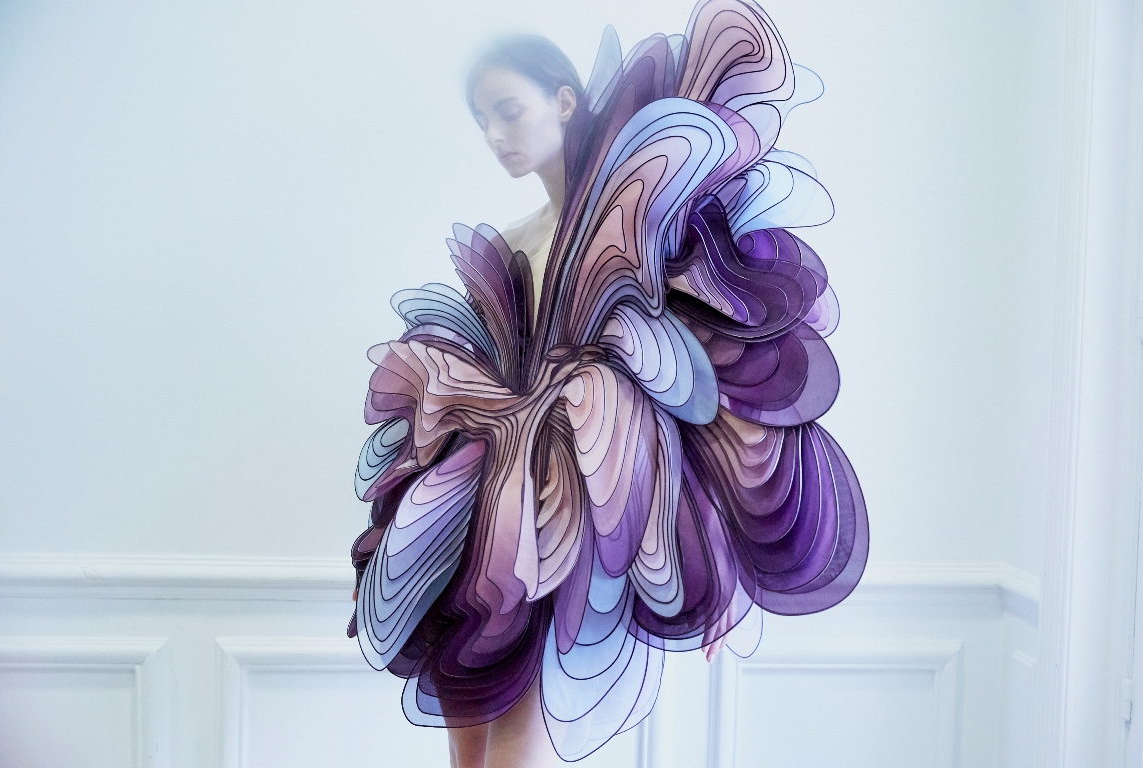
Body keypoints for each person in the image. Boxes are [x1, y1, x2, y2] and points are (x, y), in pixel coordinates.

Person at [349, 2, 869, 767]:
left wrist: (716, 565)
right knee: (465, 739)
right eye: (482, 121)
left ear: (563, 99)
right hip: (479, 504)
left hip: (568, 515)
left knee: (513, 740)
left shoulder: (647, 224)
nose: (496, 136)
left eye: (509, 111)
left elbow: (697, 383)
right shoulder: (513, 242)